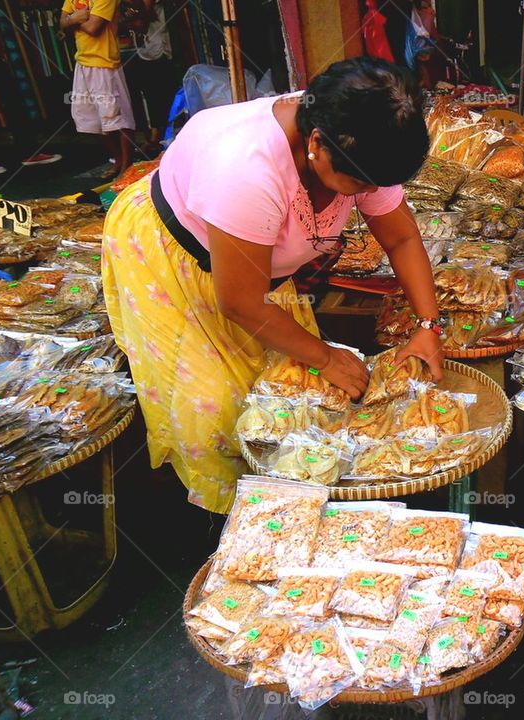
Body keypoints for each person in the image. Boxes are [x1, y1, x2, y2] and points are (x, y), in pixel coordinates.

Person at [102, 58, 443, 513]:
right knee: (218, 409)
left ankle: (289, 498)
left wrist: (427, 324)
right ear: (316, 144)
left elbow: (399, 235)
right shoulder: (246, 169)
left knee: (283, 393)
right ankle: (237, 525)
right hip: (174, 257)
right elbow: (241, 301)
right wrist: (324, 357)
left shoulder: (359, 141)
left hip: (254, 271)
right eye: (358, 184)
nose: (365, 194)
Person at [60, 0, 136, 177]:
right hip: (82, 62)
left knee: (118, 117)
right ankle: (118, 160)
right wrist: (76, 19)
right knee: (89, 118)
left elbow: (94, 28)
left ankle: (127, 166)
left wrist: (72, 19)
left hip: (105, 64)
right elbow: (62, 23)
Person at [120, 0, 177, 154]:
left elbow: (142, 20)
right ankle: (156, 136)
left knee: (163, 93)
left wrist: (129, 15)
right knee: (150, 93)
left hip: (160, 45)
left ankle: (163, 137)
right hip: (145, 49)